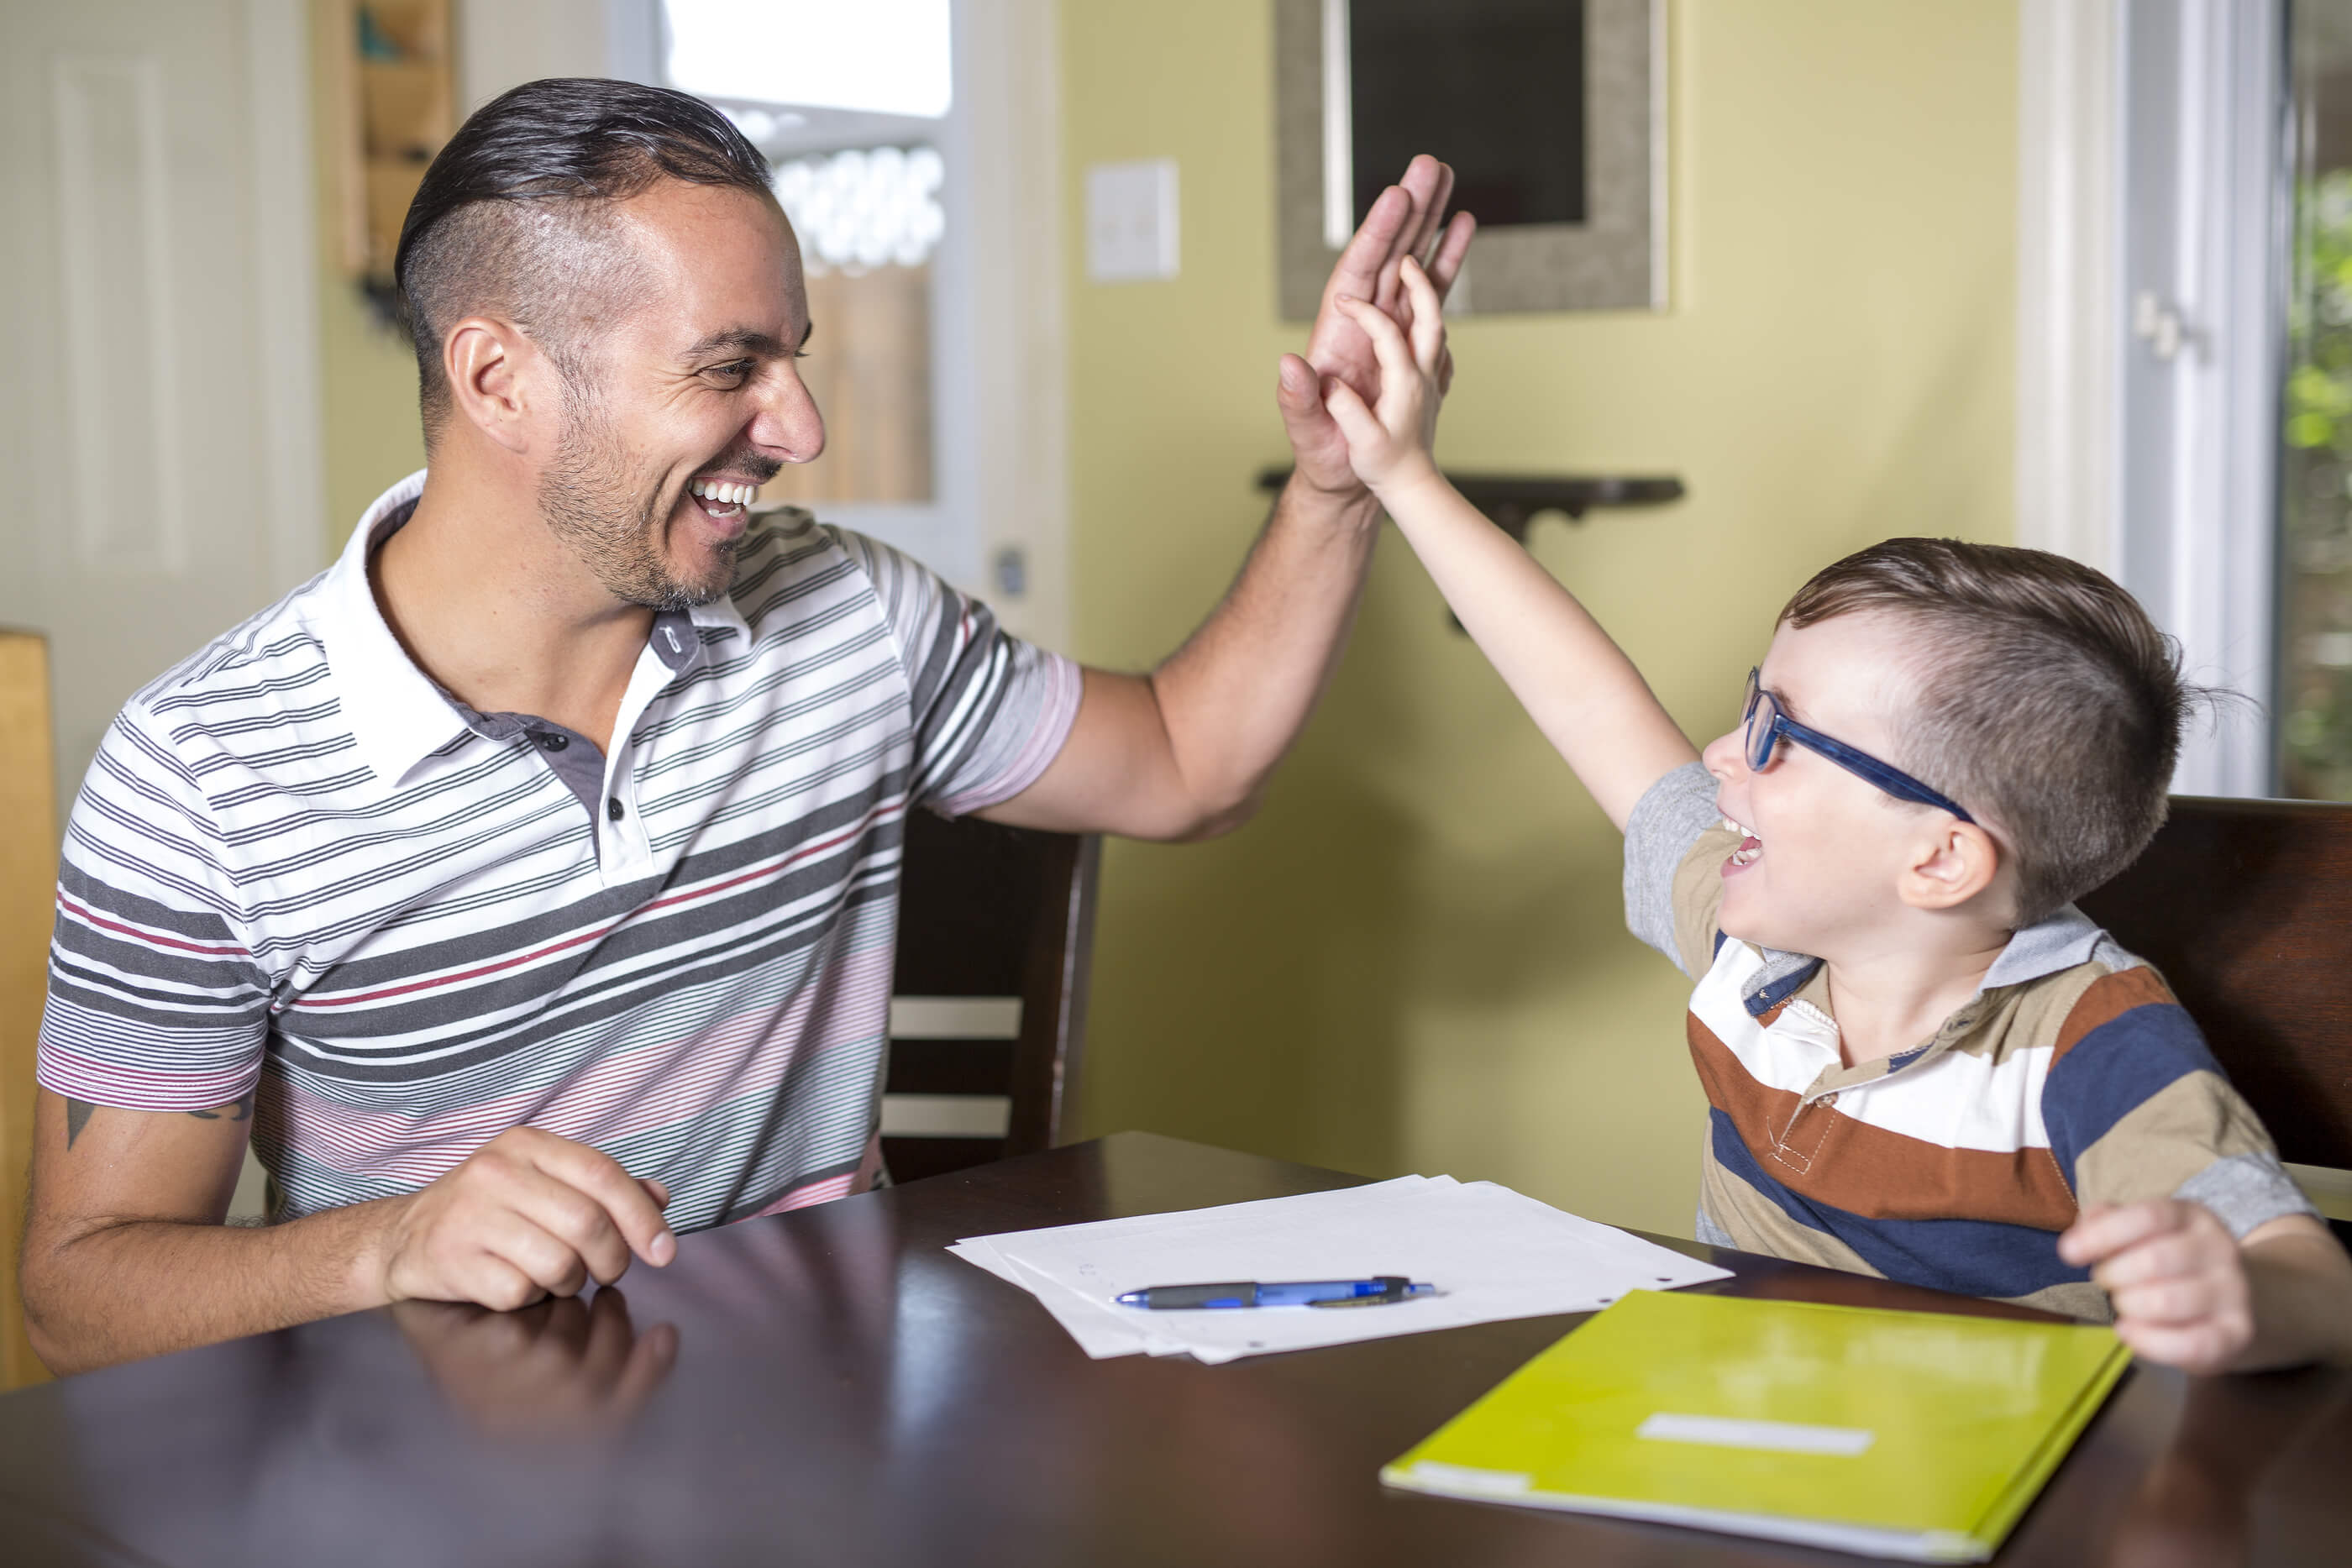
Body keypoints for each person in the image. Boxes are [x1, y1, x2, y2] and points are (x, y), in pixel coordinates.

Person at [19, 79, 1475, 1375]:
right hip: (423, 1485)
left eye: (795, 357)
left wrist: (1338, 485)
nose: (802, 428)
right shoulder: (200, 772)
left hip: (829, 1449)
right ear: (496, 379)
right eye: (731, 369)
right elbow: (79, 1294)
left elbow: (1185, 763)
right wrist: (387, 1249)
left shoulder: (845, 615)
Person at [1314, 255, 2352, 1373]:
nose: (1720, 753)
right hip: (1738, 1436)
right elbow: (1588, 705)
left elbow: (2314, 1286)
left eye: (1777, 735)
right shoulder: (1756, 943)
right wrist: (1404, 472)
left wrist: (2235, 1292)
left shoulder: (2089, 1047)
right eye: (1746, 709)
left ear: (1941, 858)